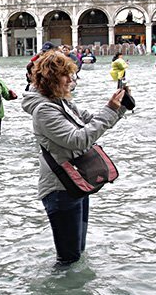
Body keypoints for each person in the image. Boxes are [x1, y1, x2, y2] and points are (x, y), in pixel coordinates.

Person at [22, 53, 128, 265]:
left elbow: (91, 121)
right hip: (59, 189)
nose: (72, 80)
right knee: (69, 258)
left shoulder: (61, 102)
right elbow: (77, 139)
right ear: (51, 79)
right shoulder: (44, 110)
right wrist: (111, 110)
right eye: (66, 76)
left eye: (72, 75)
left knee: (77, 252)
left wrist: (119, 106)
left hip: (75, 183)